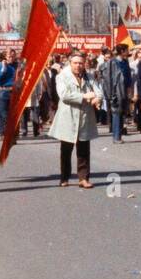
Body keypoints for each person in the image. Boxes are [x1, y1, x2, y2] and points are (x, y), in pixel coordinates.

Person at [49, 51, 99, 188]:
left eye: (81, 63)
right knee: (66, 149)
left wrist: (97, 98)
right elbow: (64, 95)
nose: (78, 66)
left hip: (84, 117)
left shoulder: (89, 76)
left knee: (83, 149)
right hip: (68, 117)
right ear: (70, 63)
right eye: (75, 63)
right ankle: (64, 177)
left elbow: (98, 92)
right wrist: (84, 96)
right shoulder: (62, 77)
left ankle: (83, 178)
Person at [100, 44, 132, 143]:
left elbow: (128, 76)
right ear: (122, 51)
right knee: (116, 113)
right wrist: (110, 94)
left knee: (122, 112)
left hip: (125, 91)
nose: (128, 52)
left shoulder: (125, 61)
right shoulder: (112, 62)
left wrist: (129, 90)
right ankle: (116, 137)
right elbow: (108, 79)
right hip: (116, 91)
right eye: (127, 50)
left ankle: (120, 134)